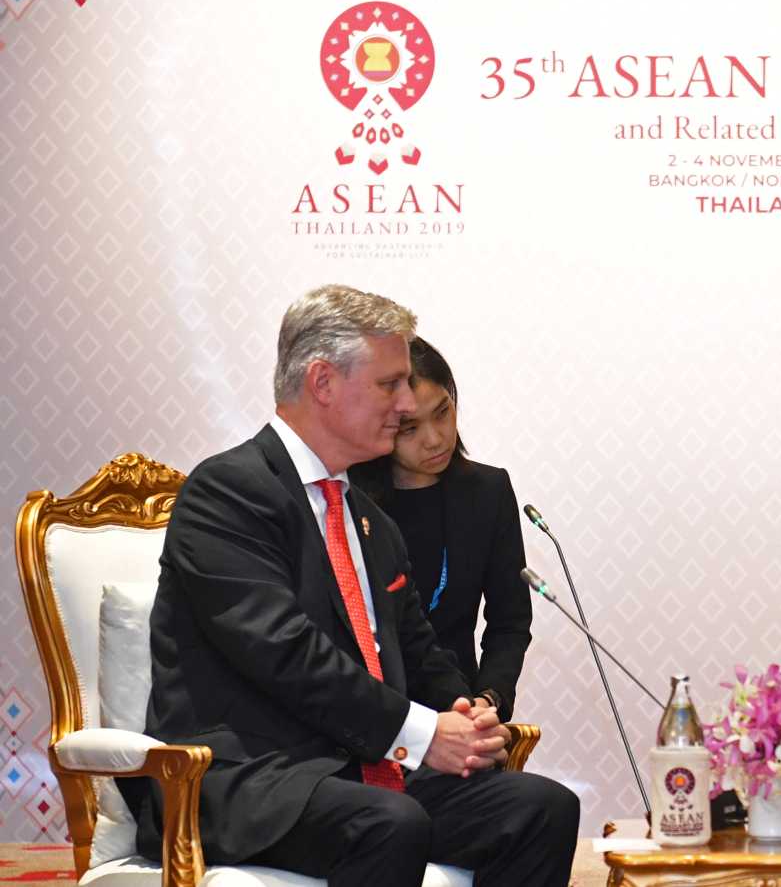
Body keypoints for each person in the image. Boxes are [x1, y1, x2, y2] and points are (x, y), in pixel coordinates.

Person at [127, 285, 579, 887]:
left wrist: (466, 712)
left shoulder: (366, 517)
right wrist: (420, 735)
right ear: (323, 383)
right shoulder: (228, 492)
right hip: (248, 779)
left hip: (355, 773)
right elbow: (285, 652)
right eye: (389, 384)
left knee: (541, 809)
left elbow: (418, 648)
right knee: (389, 823)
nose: (403, 402)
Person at [350, 337, 531, 722]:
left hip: (458, 709)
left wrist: (488, 699)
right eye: (409, 428)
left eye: (443, 412)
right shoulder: (349, 501)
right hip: (372, 714)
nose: (435, 438)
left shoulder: (488, 492)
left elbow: (510, 621)